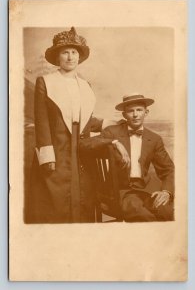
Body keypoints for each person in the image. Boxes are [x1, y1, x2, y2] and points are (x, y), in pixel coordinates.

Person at [26, 27, 113, 223]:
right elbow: (41, 120)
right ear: (57, 57)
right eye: (65, 52)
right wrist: (47, 155)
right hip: (56, 145)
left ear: (80, 57)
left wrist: (107, 123)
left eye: (74, 52)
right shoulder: (46, 81)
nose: (70, 57)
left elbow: (83, 120)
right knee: (55, 196)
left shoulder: (85, 85)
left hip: (81, 148)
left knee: (84, 193)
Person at [80, 93, 174, 222]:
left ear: (146, 112)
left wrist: (166, 191)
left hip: (146, 189)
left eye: (139, 110)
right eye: (130, 111)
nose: (135, 115)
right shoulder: (113, 132)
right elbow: (83, 144)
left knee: (167, 212)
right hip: (120, 191)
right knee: (143, 215)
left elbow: (168, 169)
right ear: (124, 115)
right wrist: (114, 142)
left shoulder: (154, 139)